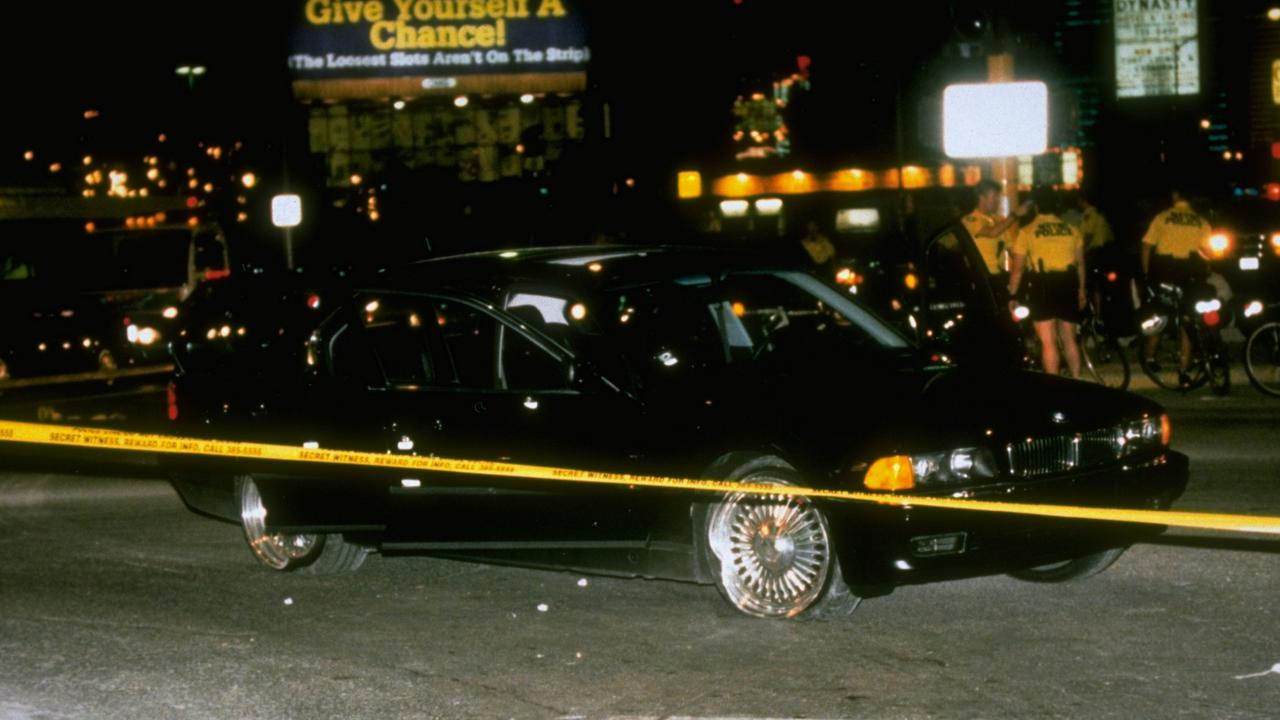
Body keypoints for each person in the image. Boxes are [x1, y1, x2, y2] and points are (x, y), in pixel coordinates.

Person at [1006, 187, 1087, 378]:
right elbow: (1081, 265)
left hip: (1042, 283)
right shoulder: (1072, 230)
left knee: (1048, 341)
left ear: (1036, 208)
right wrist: (1082, 290)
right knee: (1069, 338)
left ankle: (1055, 385)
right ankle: (1076, 379)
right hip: (1068, 282)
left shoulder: (1027, 232)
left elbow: (1018, 269)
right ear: (1056, 206)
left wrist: (1013, 295)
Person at [1139, 187, 1213, 388]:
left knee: (1160, 315)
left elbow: (1146, 245)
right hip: (1190, 273)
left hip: (1166, 271)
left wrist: (1146, 274)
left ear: (1175, 196)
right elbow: (1209, 252)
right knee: (1188, 320)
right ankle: (1184, 370)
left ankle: (1150, 357)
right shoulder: (1201, 221)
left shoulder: (1163, 217)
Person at [961, 180, 1032, 285]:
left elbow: (1012, 249)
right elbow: (992, 233)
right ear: (982, 197)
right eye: (994, 196)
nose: (998, 200)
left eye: (998, 197)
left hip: (998, 276)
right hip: (979, 277)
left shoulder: (999, 220)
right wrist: (1015, 215)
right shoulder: (970, 219)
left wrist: (1028, 264)